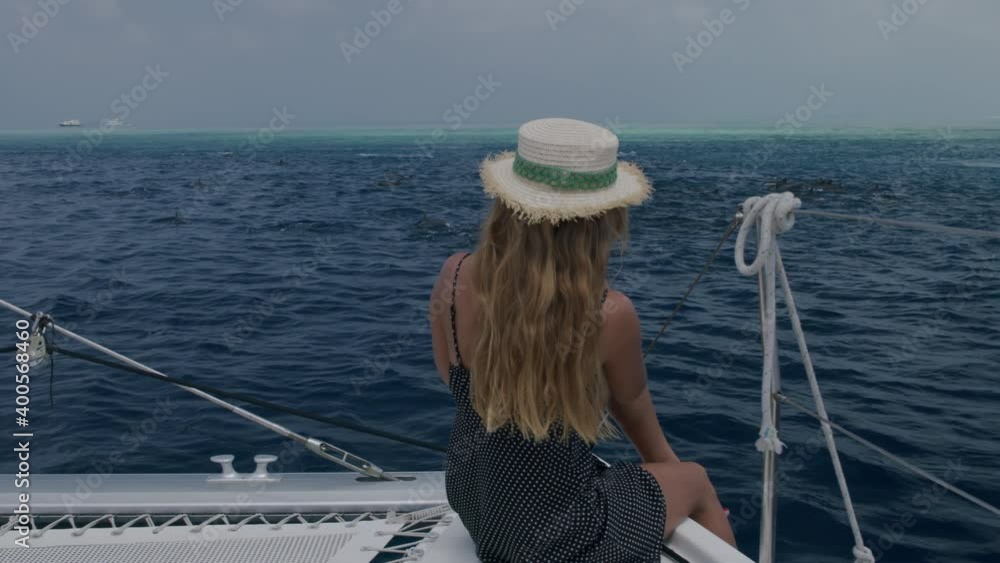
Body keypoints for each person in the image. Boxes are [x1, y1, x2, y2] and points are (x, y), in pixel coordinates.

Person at [429, 118, 736, 561]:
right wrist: (671, 475)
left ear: (507, 203)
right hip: (558, 535)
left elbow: (451, 378)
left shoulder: (454, 273)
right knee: (696, 480)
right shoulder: (609, 313)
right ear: (603, 217)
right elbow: (633, 408)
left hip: (479, 507)